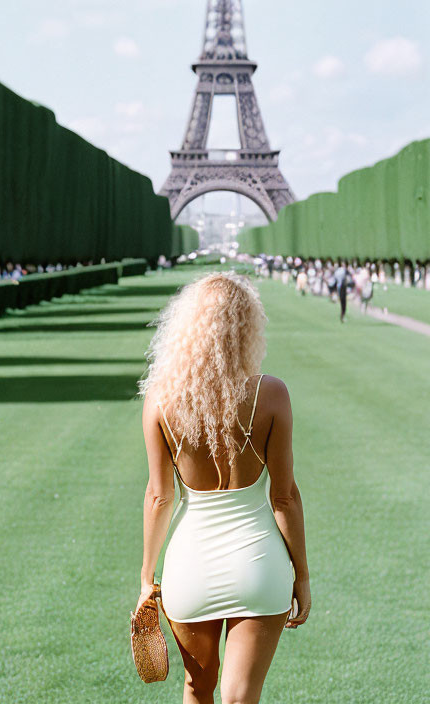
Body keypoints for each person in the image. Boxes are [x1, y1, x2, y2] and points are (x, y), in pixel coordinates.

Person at [135, 272, 310, 704]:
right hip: (260, 564)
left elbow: (159, 496)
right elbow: (284, 496)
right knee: (240, 699)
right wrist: (302, 575)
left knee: (198, 687)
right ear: (248, 326)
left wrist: (146, 577)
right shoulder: (271, 394)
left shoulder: (160, 399)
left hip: (190, 568)